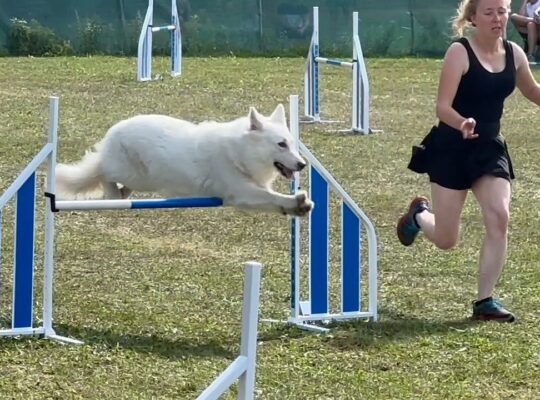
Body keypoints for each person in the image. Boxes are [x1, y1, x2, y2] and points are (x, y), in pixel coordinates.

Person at [396, 0, 540, 322]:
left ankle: (484, 301)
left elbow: (532, 91)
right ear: (473, 17)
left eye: (502, 11)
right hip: (452, 146)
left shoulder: (514, 55)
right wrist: (461, 122)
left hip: (489, 148)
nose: (498, 18)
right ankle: (419, 216)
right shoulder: (459, 53)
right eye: (489, 12)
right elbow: (442, 107)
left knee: (499, 216)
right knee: (447, 239)